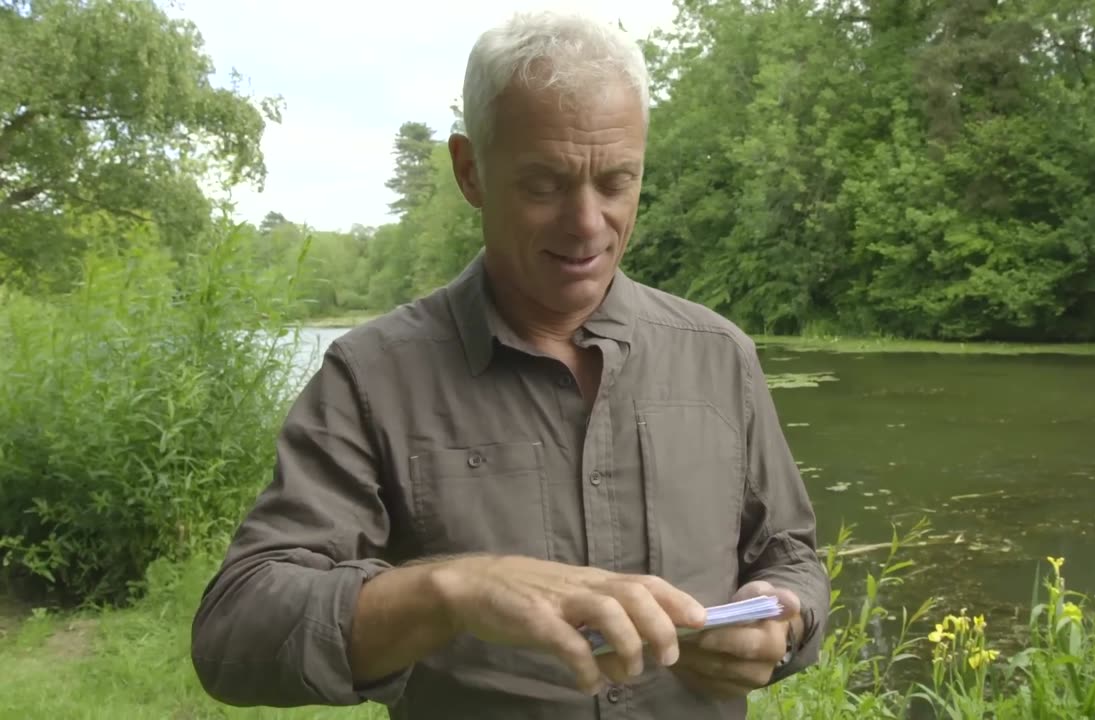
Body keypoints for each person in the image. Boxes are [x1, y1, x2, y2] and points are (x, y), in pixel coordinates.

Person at [190, 10, 829, 719]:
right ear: (471, 170)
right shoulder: (371, 377)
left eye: (616, 182)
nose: (587, 224)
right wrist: (453, 591)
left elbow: (789, 554)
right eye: (544, 184)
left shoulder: (721, 358)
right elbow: (234, 633)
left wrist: (786, 621)